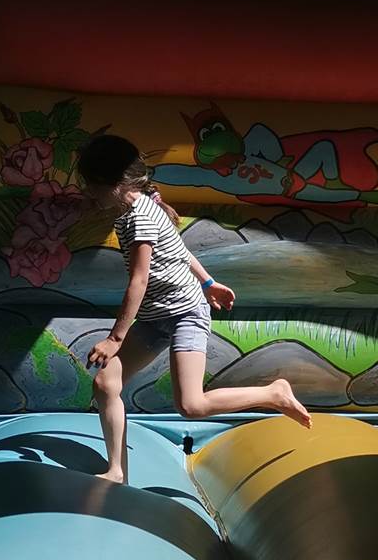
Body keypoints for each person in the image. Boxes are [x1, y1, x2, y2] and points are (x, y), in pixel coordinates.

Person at [76, 134, 311, 484]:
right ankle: (117, 470)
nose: (87, 192)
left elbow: (138, 282)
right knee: (106, 384)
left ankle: (273, 393)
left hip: (185, 313)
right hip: (158, 316)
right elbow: (177, 249)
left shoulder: (139, 216)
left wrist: (114, 338)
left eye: (90, 184)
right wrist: (208, 281)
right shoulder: (137, 209)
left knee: (191, 405)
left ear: (111, 182)